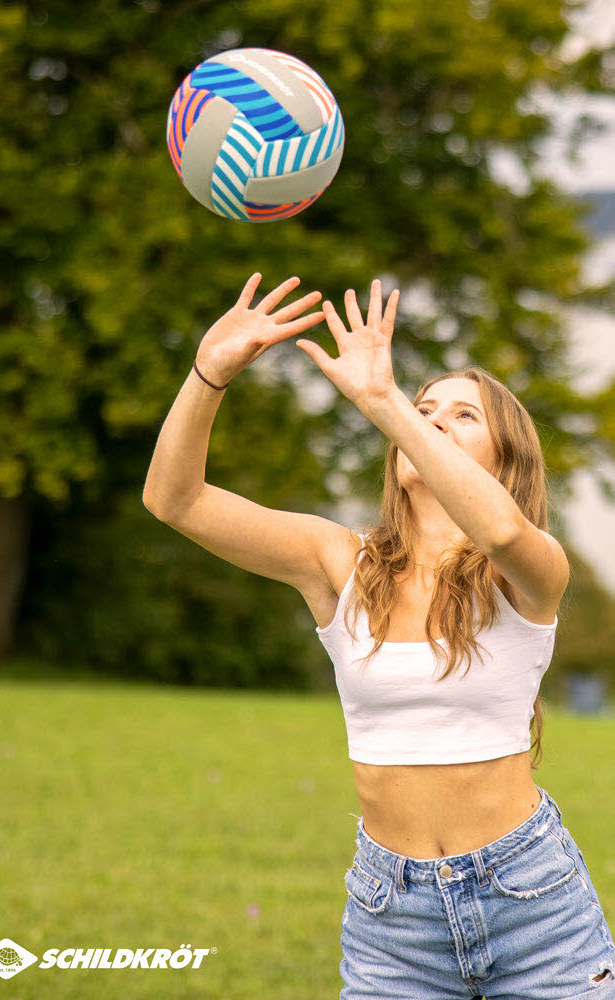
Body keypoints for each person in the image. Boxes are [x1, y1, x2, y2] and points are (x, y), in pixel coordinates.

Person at [142, 273, 615, 998]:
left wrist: (385, 401)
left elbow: (497, 529)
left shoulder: (530, 568)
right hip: (391, 917)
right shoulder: (339, 561)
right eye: (424, 410)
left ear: (504, 460)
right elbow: (174, 500)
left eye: (462, 416)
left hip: (532, 901)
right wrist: (208, 373)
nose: (432, 422)